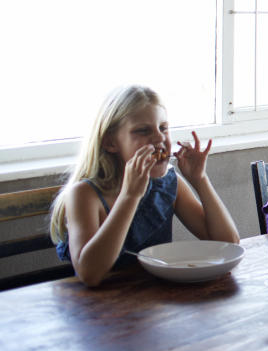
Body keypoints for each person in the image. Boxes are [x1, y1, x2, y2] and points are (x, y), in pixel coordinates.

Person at [50, 85, 240, 287]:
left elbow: (228, 243)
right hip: (100, 308)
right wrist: (129, 196)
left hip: (153, 299)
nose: (159, 138)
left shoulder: (168, 183)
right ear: (110, 143)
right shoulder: (84, 194)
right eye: (143, 131)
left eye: (163, 128)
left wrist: (200, 180)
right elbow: (90, 274)